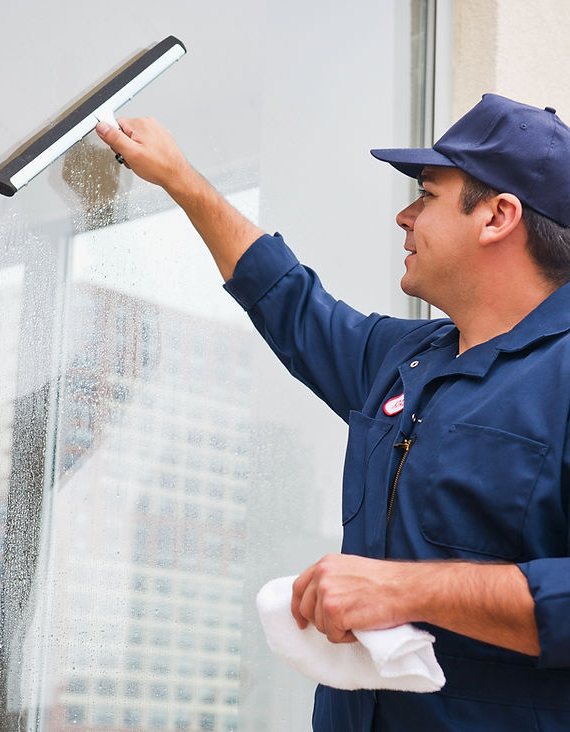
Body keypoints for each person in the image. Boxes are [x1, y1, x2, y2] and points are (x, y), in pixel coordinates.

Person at [96, 93, 570, 731]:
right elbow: (286, 296)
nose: (405, 215)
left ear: (496, 217)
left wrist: (402, 590)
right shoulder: (402, 360)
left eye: (427, 195)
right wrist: (180, 179)